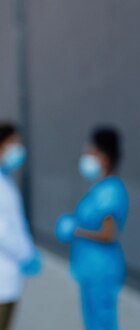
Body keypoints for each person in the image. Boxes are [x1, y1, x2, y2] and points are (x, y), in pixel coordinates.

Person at [55, 126, 128, 330]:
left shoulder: (111, 190)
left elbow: (108, 234)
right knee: (93, 321)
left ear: (104, 157)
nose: (86, 157)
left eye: (91, 153)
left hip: (101, 269)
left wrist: (75, 230)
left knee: (102, 323)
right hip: (91, 267)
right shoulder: (100, 188)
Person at [0, 122, 41, 330]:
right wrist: (26, 253)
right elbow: (3, 231)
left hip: (8, 277)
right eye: (13, 143)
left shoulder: (5, 182)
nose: (18, 149)